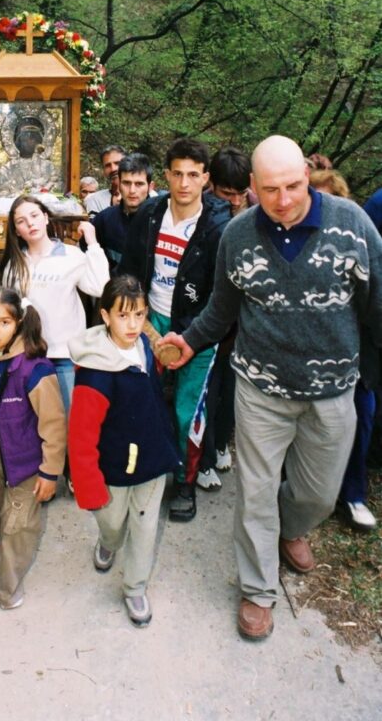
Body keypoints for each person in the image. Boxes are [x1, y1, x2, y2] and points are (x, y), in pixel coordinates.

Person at [159, 135, 382, 641]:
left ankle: (292, 526)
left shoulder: (352, 224)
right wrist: (190, 341)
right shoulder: (238, 235)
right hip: (260, 387)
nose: (283, 200)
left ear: (307, 175)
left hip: (332, 389)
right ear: (251, 187)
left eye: (293, 186)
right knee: (255, 493)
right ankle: (258, 590)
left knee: (319, 494)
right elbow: (221, 308)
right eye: (270, 189)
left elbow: (379, 303)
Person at [119, 138, 231, 521]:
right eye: (177, 174)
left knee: (188, 411)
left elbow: (222, 295)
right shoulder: (150, 215)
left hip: (198, 328)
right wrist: (133, 315)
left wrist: (194, 335)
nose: (184, 183)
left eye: (193, 175)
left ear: (206, 178)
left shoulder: (218, 227)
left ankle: (185, 481)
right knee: (140, 399)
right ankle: (143, 468)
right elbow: (129, 270)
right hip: (150, 320)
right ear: (165, 175)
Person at [68, 276, 180, 627]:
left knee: (145, 527)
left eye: (139, 315)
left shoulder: (144, 345)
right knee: (114, 523)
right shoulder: (95, 374)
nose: (132, 325)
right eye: (123, 315)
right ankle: (108, 541)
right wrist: (89, 487)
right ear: (105, 315)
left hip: (152, 457)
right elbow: (81, 437)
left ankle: (135, 587)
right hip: (114, 467)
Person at [0, 286, 66, 609]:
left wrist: (49, 472)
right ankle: (2, 532)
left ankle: (7, 590)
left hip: (28, 461)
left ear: (18, 323)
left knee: (18, 524)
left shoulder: (34, 370)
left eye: (4, 322)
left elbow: (54, 424)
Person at [308, 169, 377, 533]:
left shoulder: (357, 244)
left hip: (356, 355)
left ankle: (352, 493)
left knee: (362, 413)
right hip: (309, 358)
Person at [0, 194, 110, 411]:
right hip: (26, 356)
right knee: (33, 420)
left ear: (46, 218)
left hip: (64, 356)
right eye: (21, 221)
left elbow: (100, 287)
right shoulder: (15, 265)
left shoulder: (71, 255)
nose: (30, 223)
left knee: (69, 418)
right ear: (16, 230)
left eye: (34, 216)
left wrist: (93, 243)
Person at [197, 146, 253, 491]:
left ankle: (220, 444)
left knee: (231, 391)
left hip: (243, 325)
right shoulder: (200, 211)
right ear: (211, 185)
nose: (234, 201)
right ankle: (202, 460)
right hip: (208, 318)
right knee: (208, 389)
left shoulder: (258, 212)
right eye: (225, 193)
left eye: (240, 193)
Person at [93, 153, 154, 275]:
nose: (132, 190)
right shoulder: (104, 219)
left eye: (139, 184)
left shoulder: (162, 221)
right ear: (119, 184)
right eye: (126, 183)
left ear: (150, 187)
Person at [0, 115, 60, 195]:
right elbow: (1, 192)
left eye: (33, 138)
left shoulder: (48, 166)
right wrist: (19, 194)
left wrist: (42, 189)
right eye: (24, 138)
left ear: (39, 141)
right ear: (17, 141)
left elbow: (56, 188)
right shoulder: (7, 169)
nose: (28, 141)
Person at [85, 145, 127, 214]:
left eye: (117, 163)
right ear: (103, 170)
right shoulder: (95, 200)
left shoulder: (141, 196)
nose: (113, 169)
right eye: (107, 165)